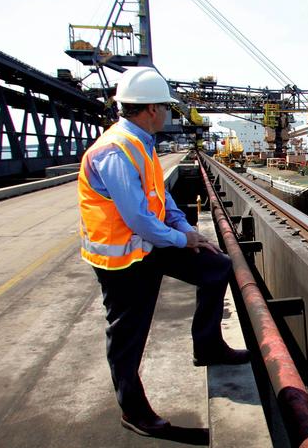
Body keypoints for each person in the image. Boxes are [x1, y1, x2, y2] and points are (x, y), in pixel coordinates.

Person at [77, 67, 249, 437]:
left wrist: (188, 231)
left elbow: (162, 197)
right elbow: (137, 217)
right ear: (152, 109)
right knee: (127, 337)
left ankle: (208, 347)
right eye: (167, 107)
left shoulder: (141, 143)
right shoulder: (113, 151)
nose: (171, 114)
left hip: (150, 245)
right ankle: (134, 412)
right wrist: (179, 240)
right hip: (122, 258)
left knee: (216, 266)